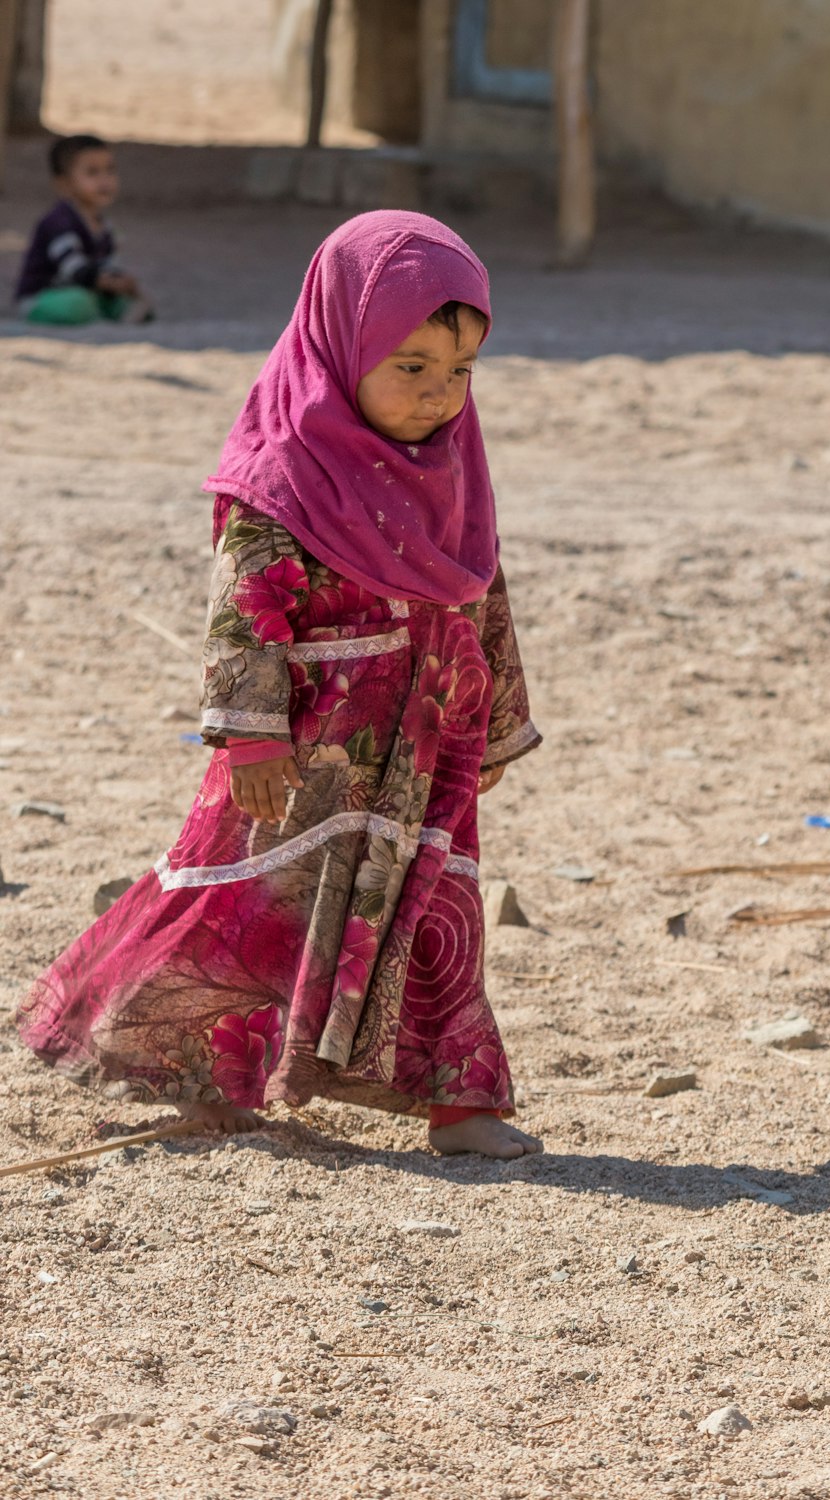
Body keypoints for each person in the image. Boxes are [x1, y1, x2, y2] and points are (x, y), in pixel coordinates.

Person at [17, 211, 543, 1160]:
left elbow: (479, 586)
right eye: (411, 366)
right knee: (244, 906)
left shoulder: (455, 465)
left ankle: (459, 1107)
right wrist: (252, 736)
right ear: (343, 343)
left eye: (459, 371)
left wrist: (496, 719)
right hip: (301, 751)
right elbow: (245, 607)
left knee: (432, 910)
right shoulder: (283, 471)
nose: (437, 395)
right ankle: (195, 1073)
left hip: (429, 742)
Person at [14, 133, 153, 326]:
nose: (104, 180)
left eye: (110, 170)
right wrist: (107, 282)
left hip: (86, 290)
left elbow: (108, 264)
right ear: (64, 184)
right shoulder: (58, 221)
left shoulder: (105, 226)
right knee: (79, 303)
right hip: (45, 296)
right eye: (92, 172)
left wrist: (121, 283)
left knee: (130, 302)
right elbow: (73, 269)